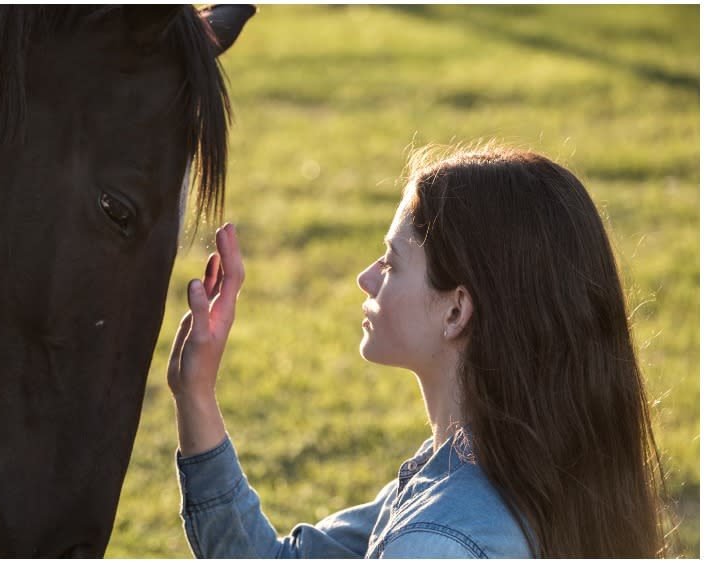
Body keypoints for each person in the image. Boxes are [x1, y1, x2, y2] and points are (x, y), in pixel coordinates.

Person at [166, 144, 667, 558]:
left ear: (456, 312)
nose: (365, 278)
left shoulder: (433, 542)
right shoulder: (521, 466)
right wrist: (196, 393)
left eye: (391, 262)